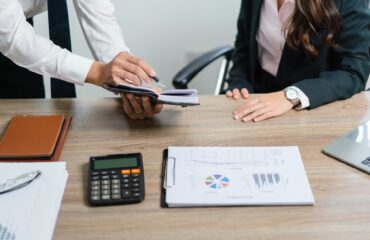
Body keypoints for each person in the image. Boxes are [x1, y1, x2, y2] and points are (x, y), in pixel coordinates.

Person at [0, 0, 162, 119]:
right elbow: (14, 39)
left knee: (25, 125)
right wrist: (98, 72)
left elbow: (99, 18)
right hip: (10, 30)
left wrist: (128, 83)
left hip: (17, 26)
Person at [225, 0, 370, 122]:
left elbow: (354, 71)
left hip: (313, 108)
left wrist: (291, 95)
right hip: (256, 97)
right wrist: (239, 80)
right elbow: (244, 40)